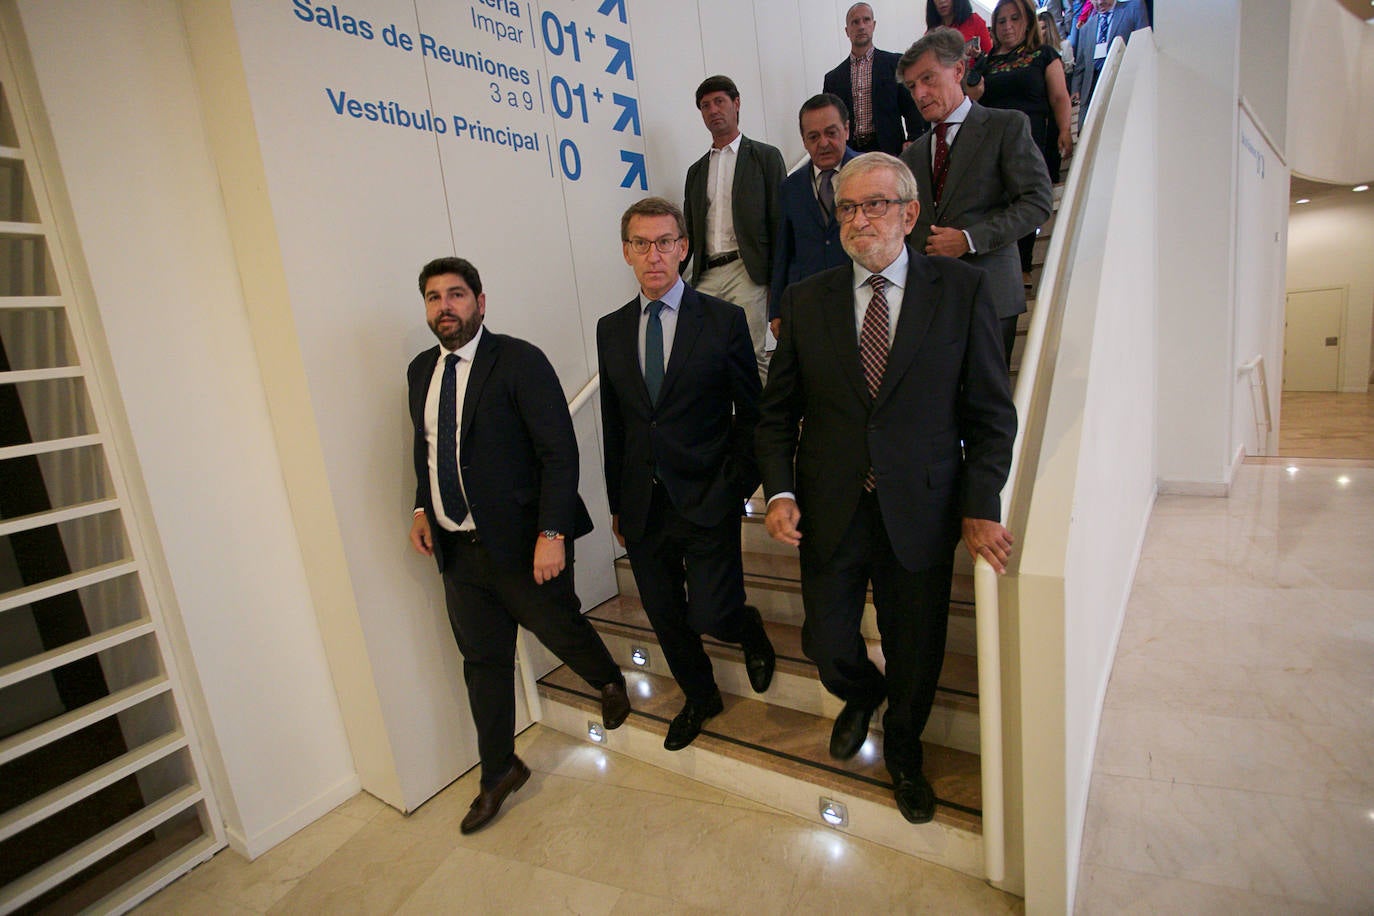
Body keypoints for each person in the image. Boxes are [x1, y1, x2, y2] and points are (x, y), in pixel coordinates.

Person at [756, 153, 1016, 824]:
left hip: (922, 508)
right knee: (827, 640)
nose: (860, 218)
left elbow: (990, 414)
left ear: (908, 213)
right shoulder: (806, 299)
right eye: (847, 207)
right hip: (830, 505)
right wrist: (780, 491)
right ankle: (861, 693)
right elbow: (777, 412)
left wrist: (980, 507)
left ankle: (904, 749)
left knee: (916, 647)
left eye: (875, 204)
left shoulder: (960, 290)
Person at [407, 257, 629, 834]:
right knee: (483, 664)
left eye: (456, 295)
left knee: (557, 625)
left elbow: (559, 451)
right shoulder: (419, 373)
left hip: (526, 543)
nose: (445, 307)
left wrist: (551, 532)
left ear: (482, 301)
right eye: (433, 298)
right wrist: (420, 508)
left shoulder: (519, 360)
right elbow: (431, 452)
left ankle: (607, 677)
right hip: (458, 553)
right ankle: (498, 773)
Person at [598, 197, 776, 752]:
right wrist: (617, 505)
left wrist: (734, 488)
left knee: (711, 611)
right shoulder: (611, 329)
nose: (655, 255)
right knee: (666, 616)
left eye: (665, 242)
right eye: (642, 244)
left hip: (707, 496)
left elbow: (753, 415)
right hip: (643, 503)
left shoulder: (721, 321)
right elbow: (615, 424)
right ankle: (701, 695)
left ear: (684, 247)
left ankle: (745, 627)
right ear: (627, 251)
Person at [898, 27, 1053, 367]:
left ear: (957, 71)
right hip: (933, 306)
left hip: (991, 298)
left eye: (928, 79)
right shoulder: (912, 156)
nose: (920, 93)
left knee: (989, 413)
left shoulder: (1006, 126)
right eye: (912, 87)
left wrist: (968, 239)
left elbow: (1038, 201)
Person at [683, 75, 787, 380]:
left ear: (736, 104)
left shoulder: (765, 157)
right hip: (707, 274)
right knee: (705, 356)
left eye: (719, 102)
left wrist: (775, 286)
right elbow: (690, 227)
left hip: (747, 269)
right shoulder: (696, 171)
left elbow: (779, 222)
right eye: (705, 105)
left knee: (752, 355)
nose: (713, 110)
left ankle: (764, 427)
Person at [969, 0, 1074, 280]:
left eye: (1014, 19)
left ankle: (1024, 267)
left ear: (1026, 21)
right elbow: (972, 99)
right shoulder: (987, 62)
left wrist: (1065, 130)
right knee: (998, 206)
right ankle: (1005, 268)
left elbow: (1059, 97)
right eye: (1001, 21)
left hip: (1032, 140)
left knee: (1025, 201)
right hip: (992, 146)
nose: (1008, 26)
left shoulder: (1044, 55)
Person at [769, 93, 859, 339]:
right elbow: (783, 251)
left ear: (847, 129)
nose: (823, 143)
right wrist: (776, 309)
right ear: (804, 141)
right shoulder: (790, 186)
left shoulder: (871, 173)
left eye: (831, 133)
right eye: (813, 136)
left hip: (859, 298)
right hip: (808, 301)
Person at [822, 3, 926, 156]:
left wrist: (914, 138)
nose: (861, 26)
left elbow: (911, 105)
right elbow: (829, 119)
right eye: (855, 22)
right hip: (850, 152)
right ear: (847, 31)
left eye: (866, 20)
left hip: (889, 148)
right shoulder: (833, 78)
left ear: (874, 25)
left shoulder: (894, 64)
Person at [1071, 0, 1150, 128]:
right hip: (1092, 89)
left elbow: (1144, 46)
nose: (1100, 2)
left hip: (1122, 83)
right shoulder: (1086, 28)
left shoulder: (1134, 9)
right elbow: (1080, 66)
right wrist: (1075, 89)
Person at [925, 0, 993, 64]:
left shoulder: (974, 21)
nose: (942, 1)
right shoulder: (930, 33)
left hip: (972, 74)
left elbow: (990, 59)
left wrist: (978, 56)